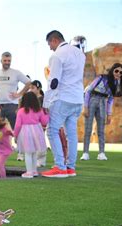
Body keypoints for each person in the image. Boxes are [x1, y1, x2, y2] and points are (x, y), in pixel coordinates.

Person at [42, 30, 86, 178]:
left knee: (52, 130)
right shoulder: (80, 54)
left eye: (49, 44)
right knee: (72, 134)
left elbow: (53, 82)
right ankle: (70, 167)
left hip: (63, 98)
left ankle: (60, 167)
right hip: (78, 99)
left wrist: (46, 102)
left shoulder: (57, 55)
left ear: (54, 40)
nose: (49, 47)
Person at [0, 52, 31, 162]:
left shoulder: (16, 73)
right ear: (1, 60)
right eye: (5, 60)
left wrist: (20, 94)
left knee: (17, 129)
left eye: (9, 61)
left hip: (12, 105)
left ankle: (21, 153)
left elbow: (28, 83)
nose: (7, 63)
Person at [81, 63, 122, 161]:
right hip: (92, 100)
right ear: (112, 70)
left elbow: (110, 99)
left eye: (121, 72)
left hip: (103, 102)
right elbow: (89, 91)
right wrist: (85, 107)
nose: (118, 73)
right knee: (88, 128)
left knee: (101, 130)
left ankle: (101, 153)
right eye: (116, 71)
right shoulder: (101, 78)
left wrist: (109, 114)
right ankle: (85, 153)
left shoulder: (115, 84)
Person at [14, 92, 49, 178]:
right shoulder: (39, 110)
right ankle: (34, 171)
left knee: (28, 153)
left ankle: (29, 172)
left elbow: (18, 125)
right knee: (33, 152)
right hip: (37, 131)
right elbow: (44, 122)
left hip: (25, 132)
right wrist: (47, 113)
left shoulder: (21, 111)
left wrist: (15, 135)